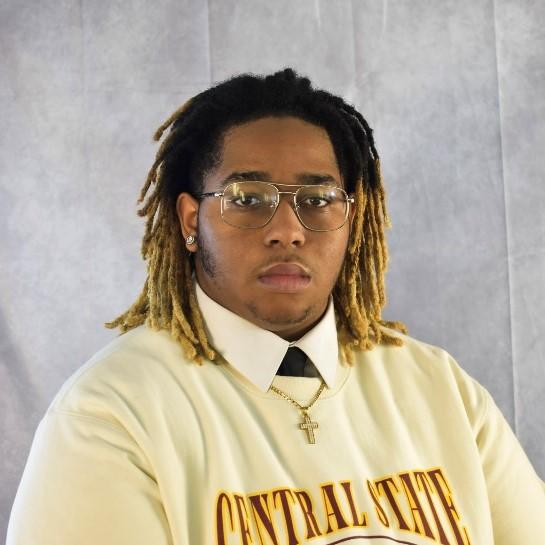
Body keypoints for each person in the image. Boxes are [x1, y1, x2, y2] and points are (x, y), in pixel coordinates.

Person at [6, 68, 545, 545]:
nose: (287, 230)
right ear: (192, 221)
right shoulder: (111, 415)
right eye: (248, 198)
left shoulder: (442, 390)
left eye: (317, 200)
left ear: (351, 221)